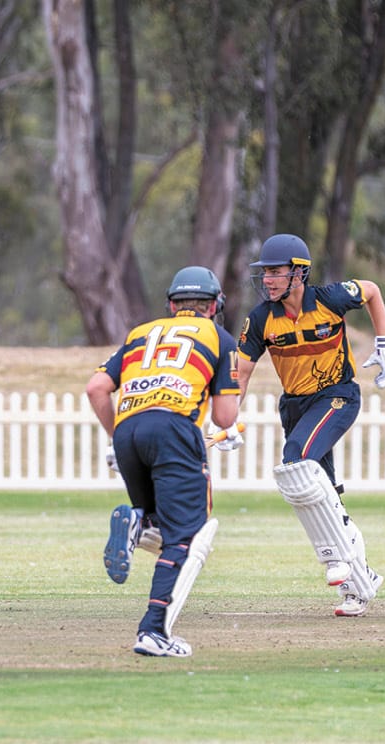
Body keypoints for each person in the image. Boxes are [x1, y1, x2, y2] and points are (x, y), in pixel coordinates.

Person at [235, 233, 385, 617]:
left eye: (276, 272)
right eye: (265, 273)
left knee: (296, 460)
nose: (268, 280)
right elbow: (241, 374)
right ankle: (359, 583)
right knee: (324, 493)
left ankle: (333, 558)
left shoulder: (329, 299)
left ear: (298, 273)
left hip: (337, 396)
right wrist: (228, 419)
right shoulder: (261, 319)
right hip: (296, 407)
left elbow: (372, 290)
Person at [86, 266, 242, 657]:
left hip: (128, 430)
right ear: (214, 306)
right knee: (187, 537)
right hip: (174, 428)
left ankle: (139, 521)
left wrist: (118, 435)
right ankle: (153, 631)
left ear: (172, 305)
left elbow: (97, 388)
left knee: (160, 523)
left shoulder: (140, 333)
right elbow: (225, 417)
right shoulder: (219, 338)